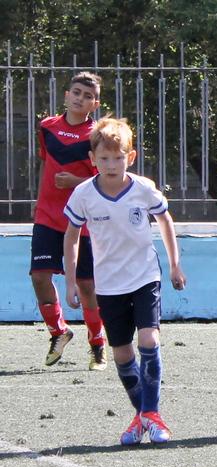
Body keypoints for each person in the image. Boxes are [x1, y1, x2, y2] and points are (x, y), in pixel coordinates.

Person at [63, 117, 185, 445]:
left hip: (145, 277)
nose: (111, 164)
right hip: (108, 285)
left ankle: (154, 413)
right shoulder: (83, 194)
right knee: (120, 353)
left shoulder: (143, 188)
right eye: (104, 158)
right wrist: (71, 281)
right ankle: (141, 414)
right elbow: (72, 236)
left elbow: (165, 219)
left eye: (118, 158)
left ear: (130, 157)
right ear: (93, 159)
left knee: (148, 338)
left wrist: (174, 264)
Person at [30, 72, 107, 370]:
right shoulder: (47, 127)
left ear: (95, 103)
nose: (80, 98)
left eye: (88, 96)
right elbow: (47, 166)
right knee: (39, 276)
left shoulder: (97, 135)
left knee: (86, 286)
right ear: (66, 95)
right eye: (76, 92)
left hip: (83, 220)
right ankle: (59, 332)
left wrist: (75, 180)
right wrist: (39, 201)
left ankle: (97, 343)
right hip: (48, 216)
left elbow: (105, 177)